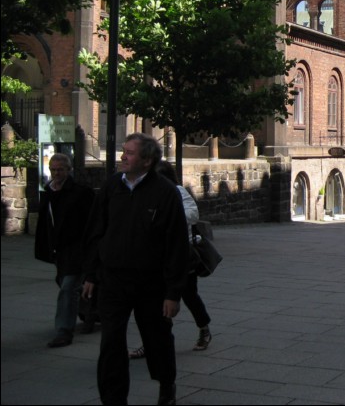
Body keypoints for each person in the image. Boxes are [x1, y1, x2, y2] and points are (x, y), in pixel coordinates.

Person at [82, 133, 189, 405]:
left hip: (151, 283)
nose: (123, 157)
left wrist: (173, 293)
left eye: (129, 153)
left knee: (157, 339)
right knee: (111, 343)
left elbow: (176, 244)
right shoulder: (111, 188)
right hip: (113, 280)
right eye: (124, 151)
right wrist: (91, 274)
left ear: (147, 160)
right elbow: (96, 231)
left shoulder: (164, 193)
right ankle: (113, 398)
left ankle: (166, 386)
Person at [129, 161, 212, 360]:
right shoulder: (146, 194)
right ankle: (151, 342)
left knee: (189, 296)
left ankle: (204, 328)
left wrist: (166, 217)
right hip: (155, 257)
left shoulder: (178, 191)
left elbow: (192, 214)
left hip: (181, 255)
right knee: (155, 301)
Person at [34, 153, 95, 348]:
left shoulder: (81, 193)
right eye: (53, 169)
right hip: (59, 250)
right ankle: (91, 314)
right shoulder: (48, 192)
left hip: (77, 249)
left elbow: (91, 222)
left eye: (60, 169)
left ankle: (63, 331)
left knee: (68, 287)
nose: (56, 173)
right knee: (66, 285)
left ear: (69, 170)